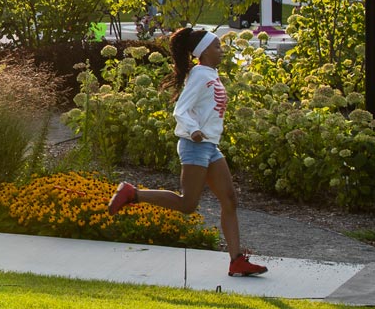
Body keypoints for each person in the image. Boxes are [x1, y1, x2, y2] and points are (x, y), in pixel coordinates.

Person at [108, 28, 268, 277]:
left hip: (209, 146)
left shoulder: (209, 74)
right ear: (202, 51)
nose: (221, 50)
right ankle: (133, 194)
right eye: (216, 46)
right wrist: (193, 130)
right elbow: (181, 110)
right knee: (187, 203)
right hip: (195, 144)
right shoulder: (200, 75)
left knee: (230, 200)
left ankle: (237, 260)